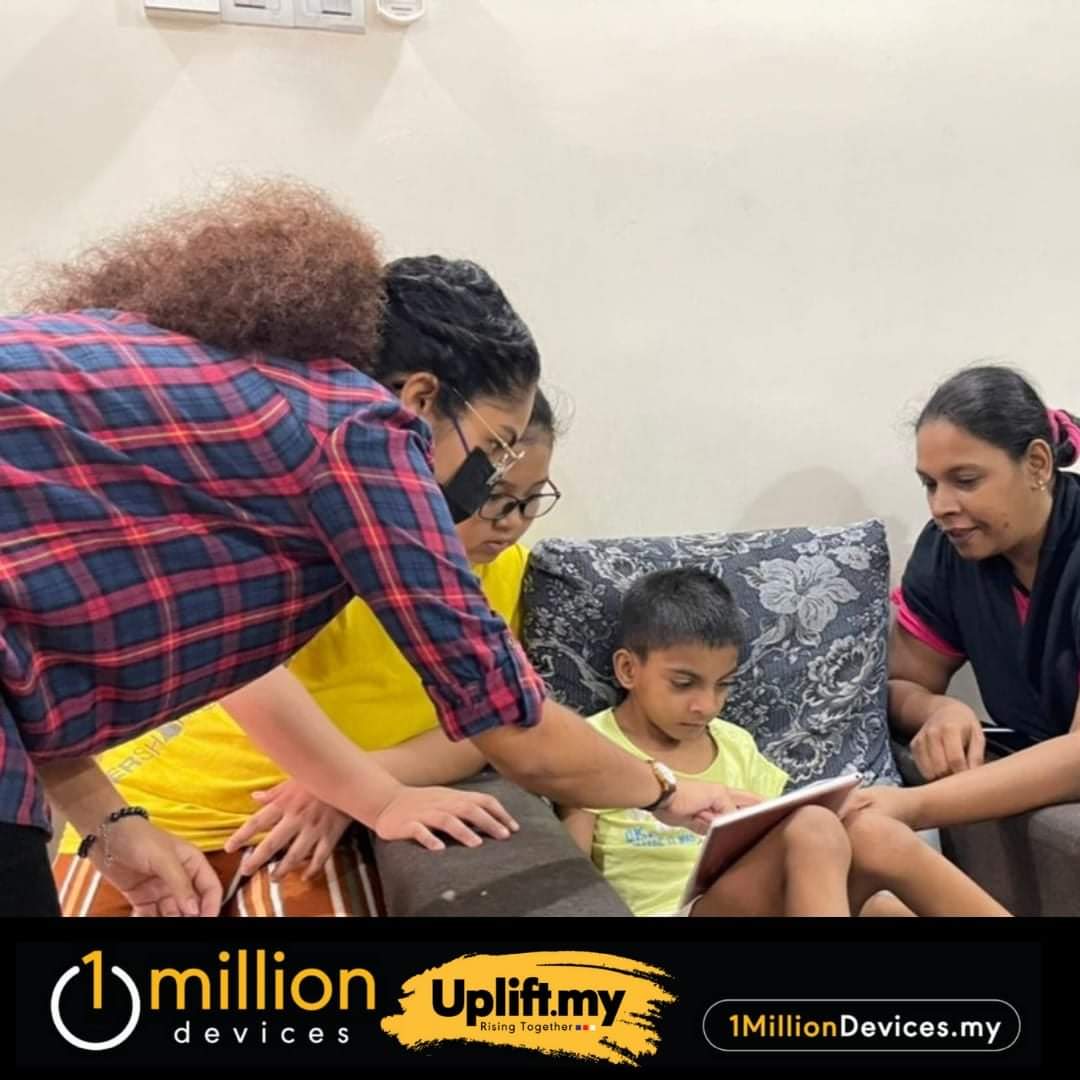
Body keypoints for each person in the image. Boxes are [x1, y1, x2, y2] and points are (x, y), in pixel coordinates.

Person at [1, 179, 746, 917]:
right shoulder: (360, 430)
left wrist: (108, 824)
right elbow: (516, 731)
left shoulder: (245, 407)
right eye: (492, 446)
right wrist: (669, 791)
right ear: (422, 398)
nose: (491, 486)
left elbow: (27, 646)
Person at [51, 390, 562, 916]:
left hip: (323, 819)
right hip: (162, 810)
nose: (512, 521)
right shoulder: (316, 544)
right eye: (495, 496)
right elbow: (238, 673)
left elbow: (498, 725)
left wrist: (356, 783)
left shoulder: (509, 577)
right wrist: (361, 789)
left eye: (532, 500)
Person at [560, 568, 1009, 916]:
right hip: (669, 914)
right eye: (683, 684)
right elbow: (571, 878)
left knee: (872, 836)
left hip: (758, 899)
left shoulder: (734, 744)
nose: (706, 705)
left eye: (723, 685)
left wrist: (837, 818)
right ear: (627, 670)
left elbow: (787, 847)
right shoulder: (592, 748)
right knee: (814, 828)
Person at [845, 365, 1080, 835]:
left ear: (1037, 464)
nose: (941, 506)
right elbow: (898, 685)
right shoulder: (948, 556)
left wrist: (912, 807)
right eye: (930, 484)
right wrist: (939, 710)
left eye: (966, 480)